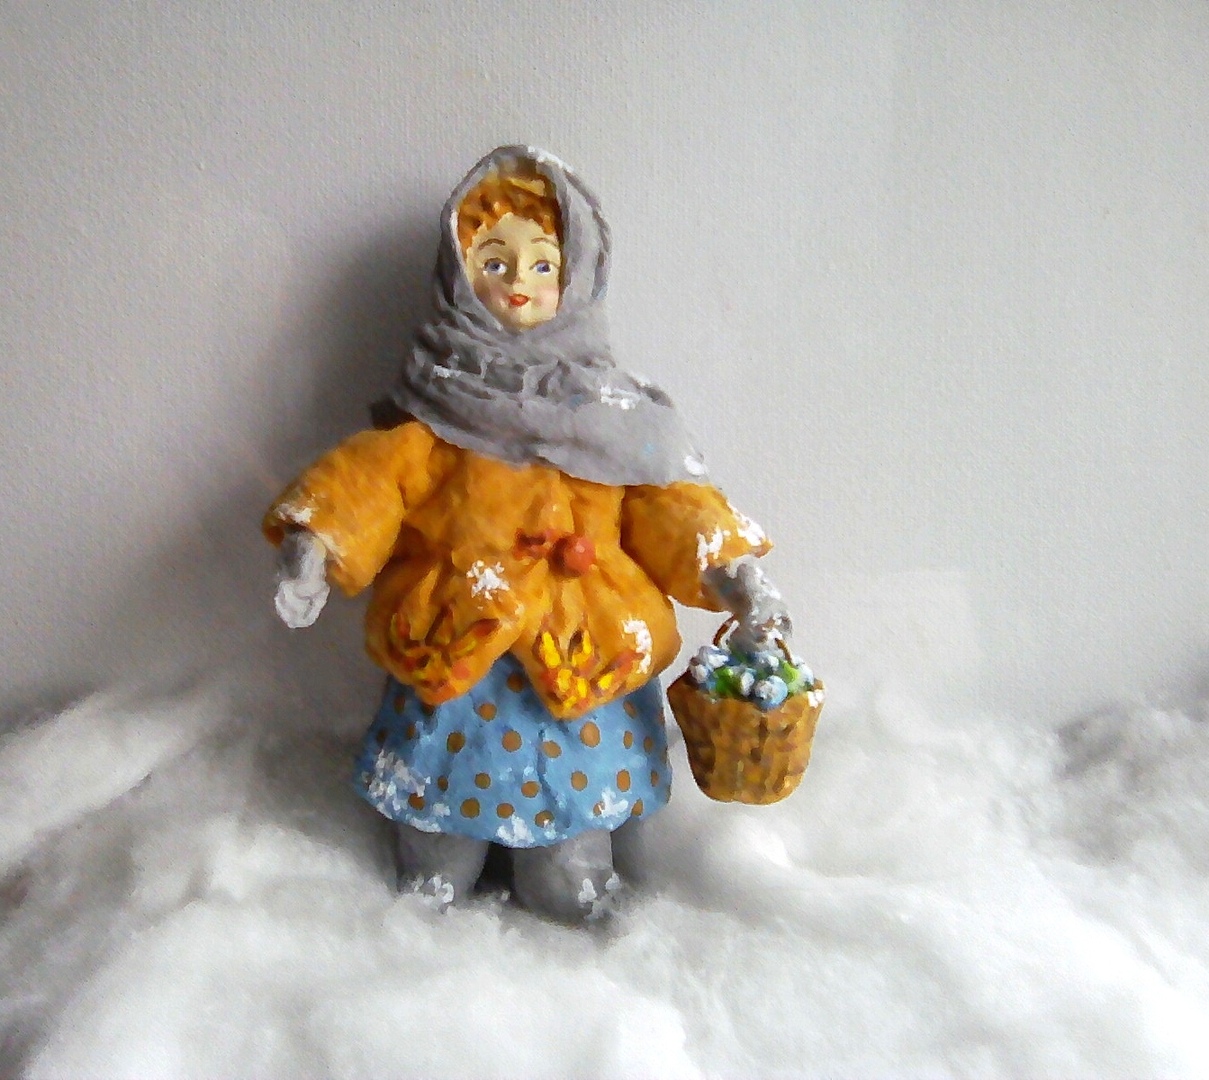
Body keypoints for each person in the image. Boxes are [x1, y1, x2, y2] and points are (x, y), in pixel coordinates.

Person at [265, 146, 793, 923]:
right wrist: (314, 547)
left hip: (582, 671)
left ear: (576, 280)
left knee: (567, 876)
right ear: (457, 278)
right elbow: (364, 485)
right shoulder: (430, 418)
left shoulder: (617, 422)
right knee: (435, 867)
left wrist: (733, 574)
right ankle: (436, 874)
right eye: (494, 261)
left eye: (543, 264)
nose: (518, 282)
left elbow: (672, 509)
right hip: (456, 673)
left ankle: (567, 877)